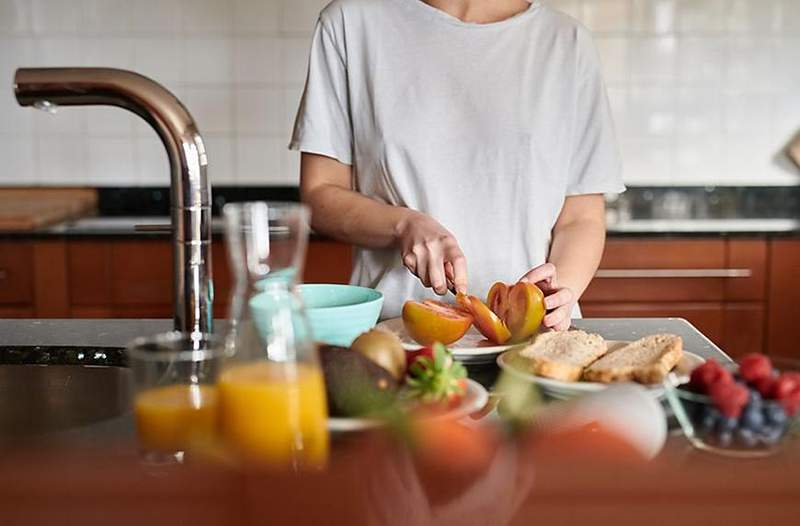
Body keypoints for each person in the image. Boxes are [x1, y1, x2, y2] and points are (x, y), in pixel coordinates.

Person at [290, 0, 624, 329]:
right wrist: (403, 225)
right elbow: (320, 194)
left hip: (533, 340)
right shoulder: (350, 24)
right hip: (395, 336)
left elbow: (581, 217)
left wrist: (557, 295)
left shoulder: (566, 42)